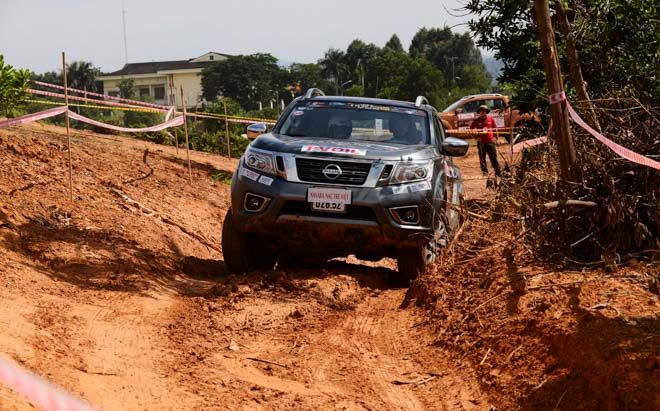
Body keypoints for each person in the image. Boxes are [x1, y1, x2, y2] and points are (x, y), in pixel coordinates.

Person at [470, 105, 502, 176]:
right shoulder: (476, 121)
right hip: (481, 143)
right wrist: (476, 137)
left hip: (490, 142)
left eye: (484, 111)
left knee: (493, 157)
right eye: (481, 111)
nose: (483, 112)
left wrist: (497, 139)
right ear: (479, 112)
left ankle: (498, 172)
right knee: (482, 158)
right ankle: (485, 173)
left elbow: (495, 129)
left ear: (486, 112)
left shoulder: (491, 119)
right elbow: (470, 130)